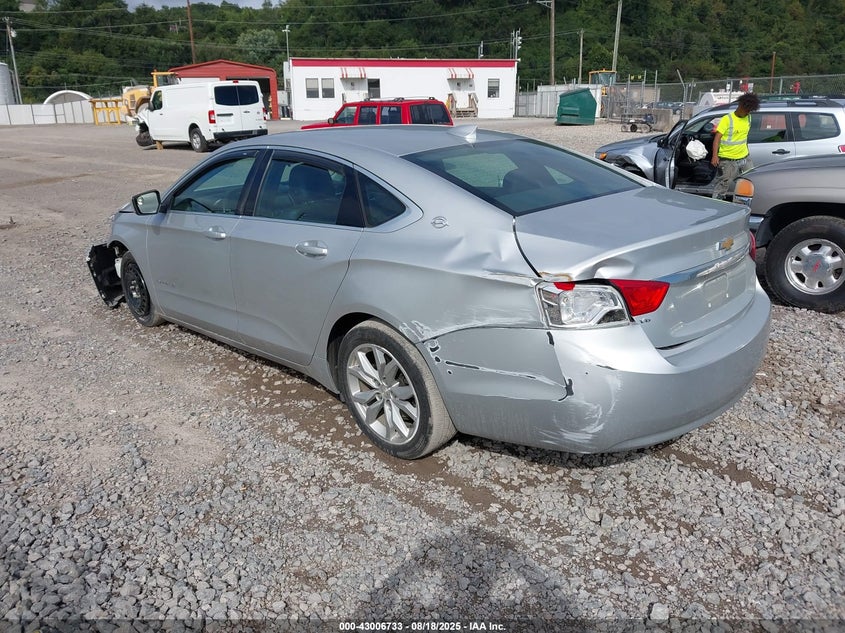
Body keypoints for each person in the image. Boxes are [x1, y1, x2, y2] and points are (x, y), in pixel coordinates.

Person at [710, 92, 761, 199]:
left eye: (750, 111)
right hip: (728, 160)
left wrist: (747, 153)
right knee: (723, 185)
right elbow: (717, 138)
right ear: (740, 106)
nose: (748, 113)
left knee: (749, 183)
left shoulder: (748, 118)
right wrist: (715, 156)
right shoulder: (727, 119)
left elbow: (744, 136)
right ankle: (717, 205)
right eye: (747, 110)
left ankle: (742, 205)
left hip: (744, 158)